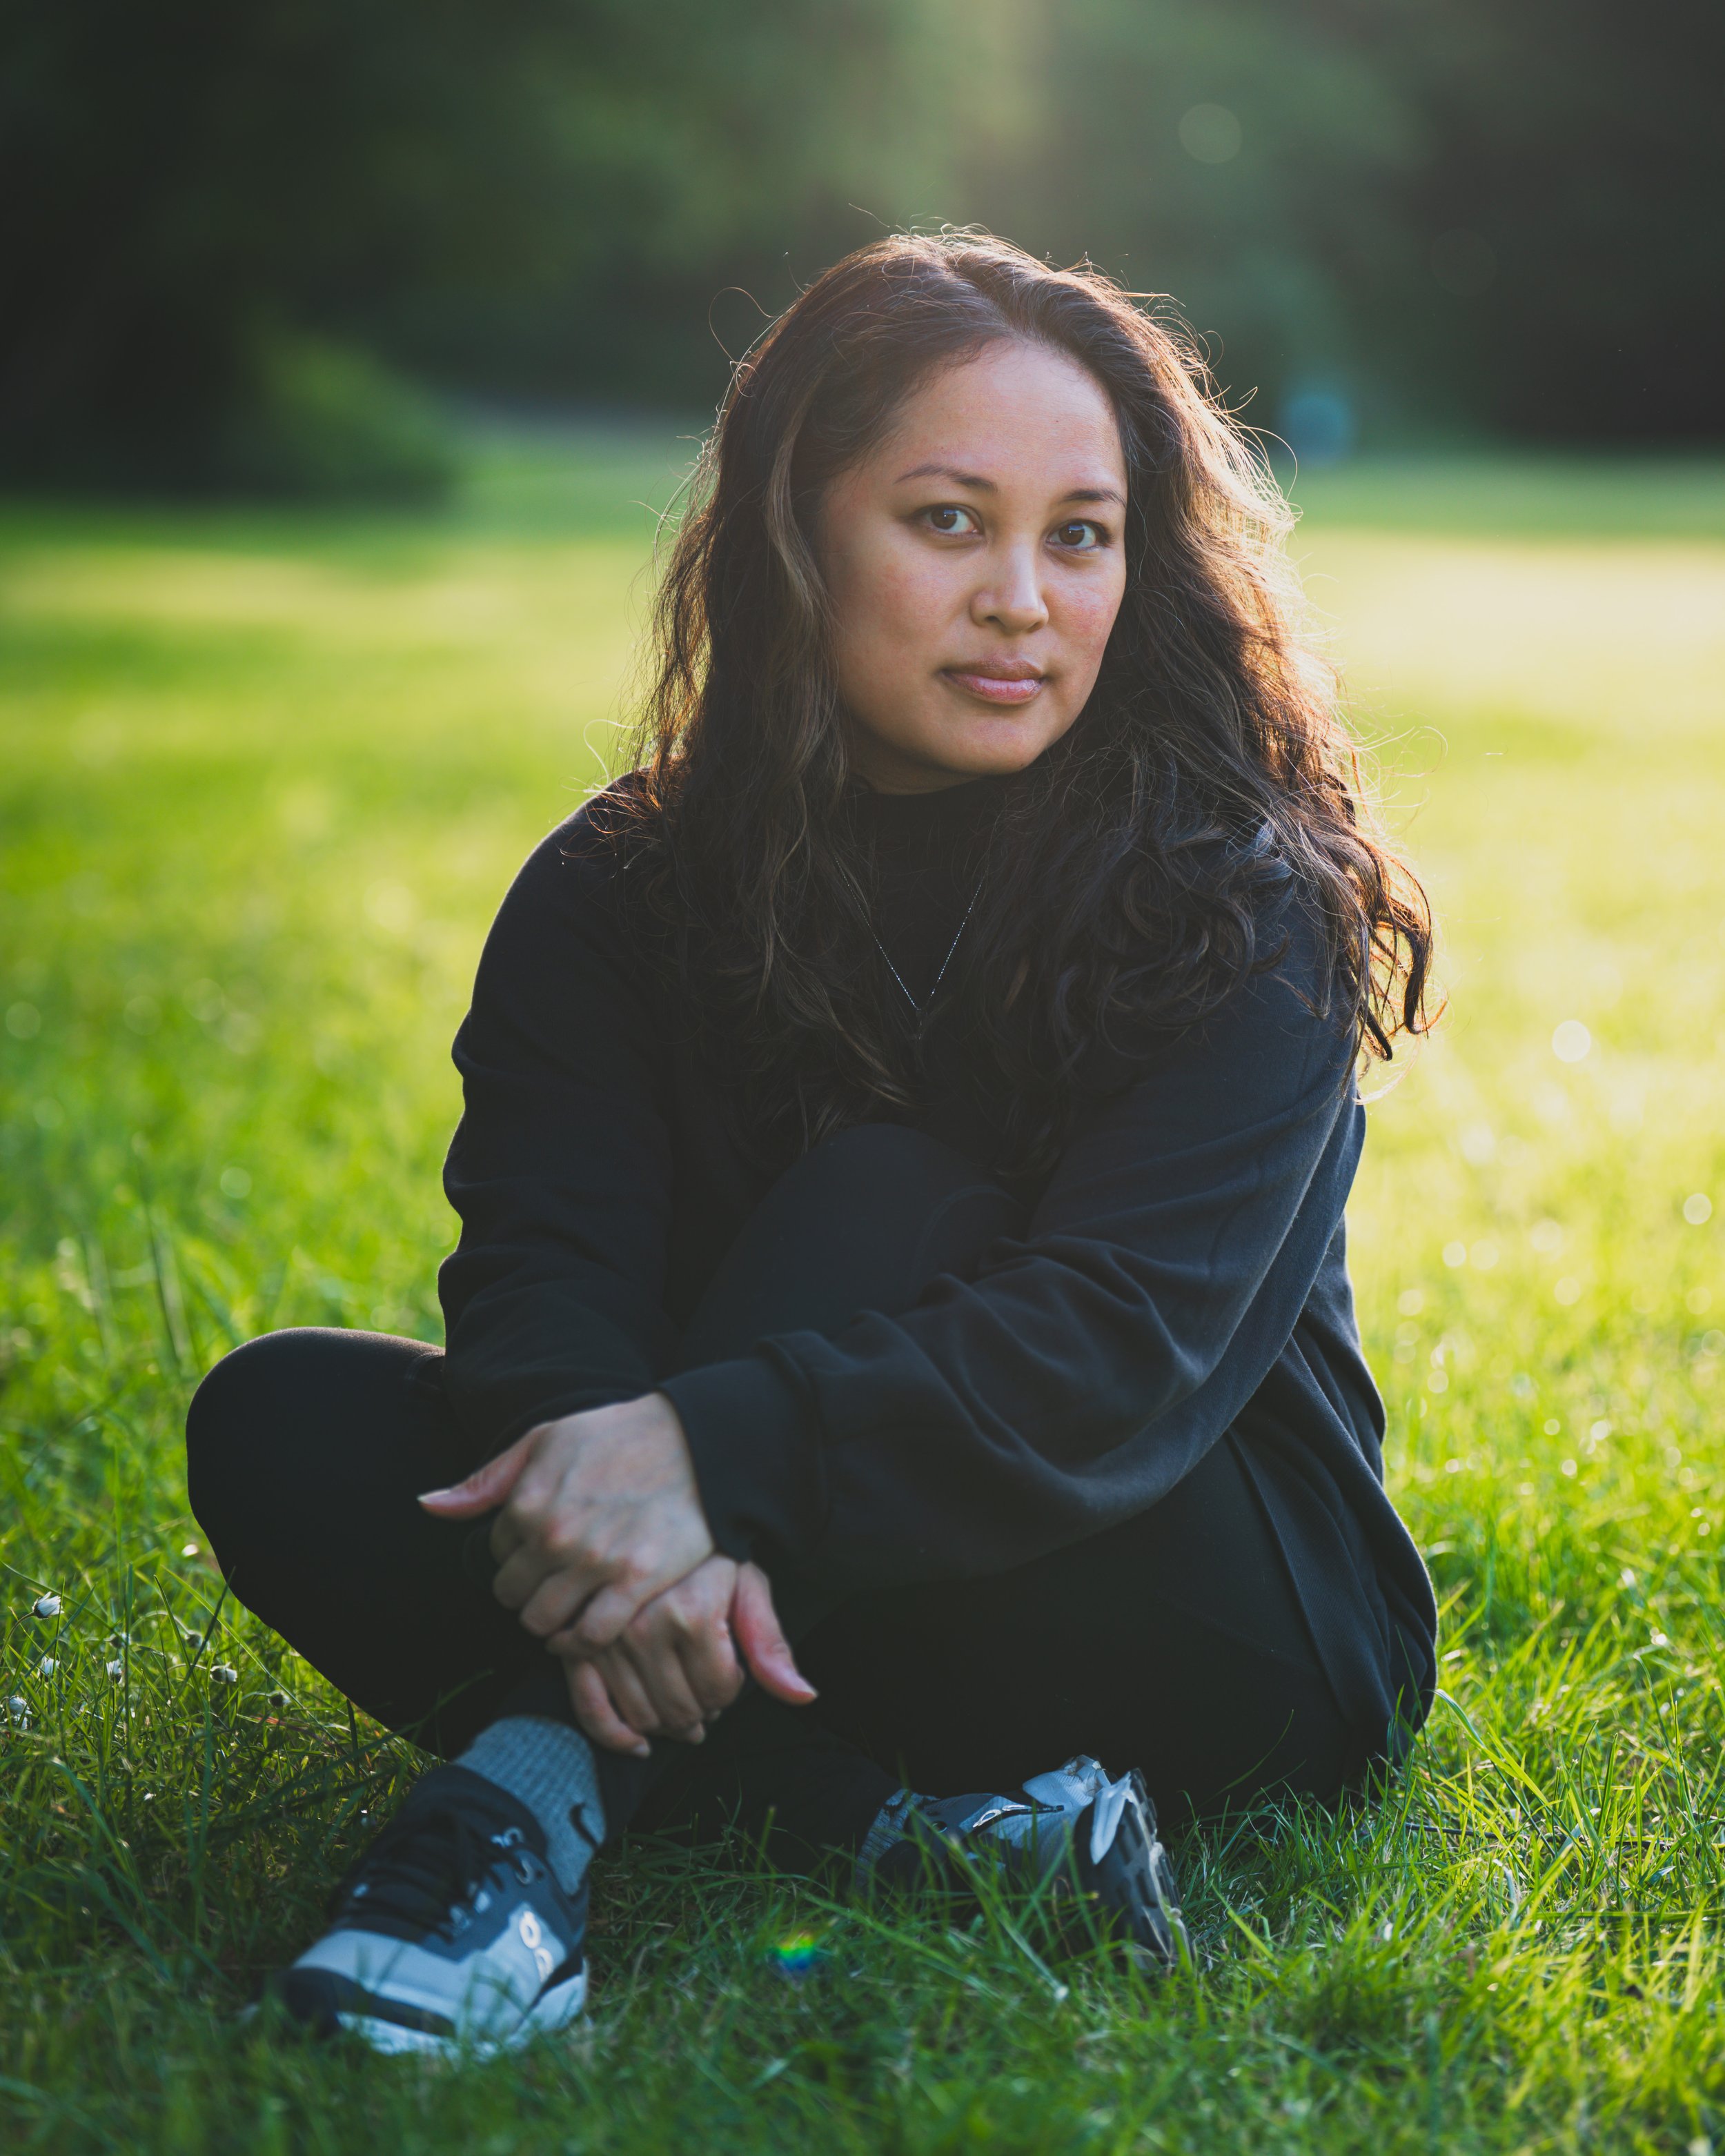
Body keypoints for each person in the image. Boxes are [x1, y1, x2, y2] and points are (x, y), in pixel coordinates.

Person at [187, 231, 1439, 2057]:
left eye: (1080, 536)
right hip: (830, 1587)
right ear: (797, 537)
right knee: (287, 1427)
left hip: (1208, 1606)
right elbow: (545, 1272)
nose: (1022, 600)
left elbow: (1117, 1349)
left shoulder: (1239, 898)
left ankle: (519, 1805)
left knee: (884, 1194)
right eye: (948, 523)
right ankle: (920, 1839)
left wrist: (701, 1459)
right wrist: (629, 1479)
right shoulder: (618, 887)